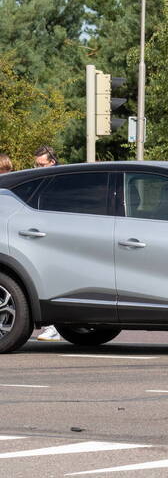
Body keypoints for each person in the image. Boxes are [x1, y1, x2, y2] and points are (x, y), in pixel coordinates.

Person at [31, 146, 63, 342]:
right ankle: (53, 327)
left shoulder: (58, 181)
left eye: (40, 164)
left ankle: (53, 327)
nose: (37, 167)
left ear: (52, 162)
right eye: (36, 163)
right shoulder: (44, 179)